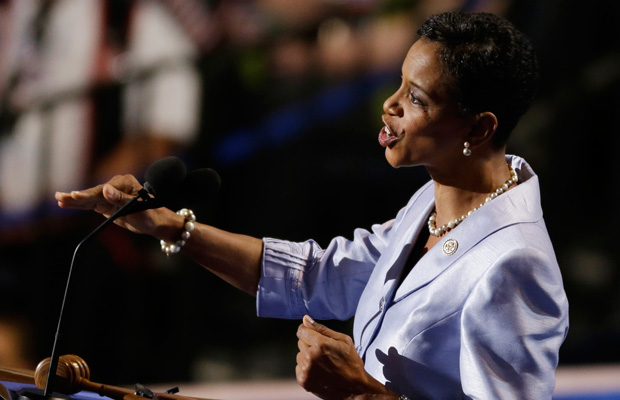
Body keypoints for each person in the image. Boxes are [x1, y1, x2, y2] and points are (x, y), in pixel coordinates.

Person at [55, 11, 569, 400]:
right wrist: (170, 227)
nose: (389, 105)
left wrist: (363, 390)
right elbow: (317, 274)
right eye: (398, 85)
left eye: (416, 98)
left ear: (479, 128)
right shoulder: (430, 204)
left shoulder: (515, 263)